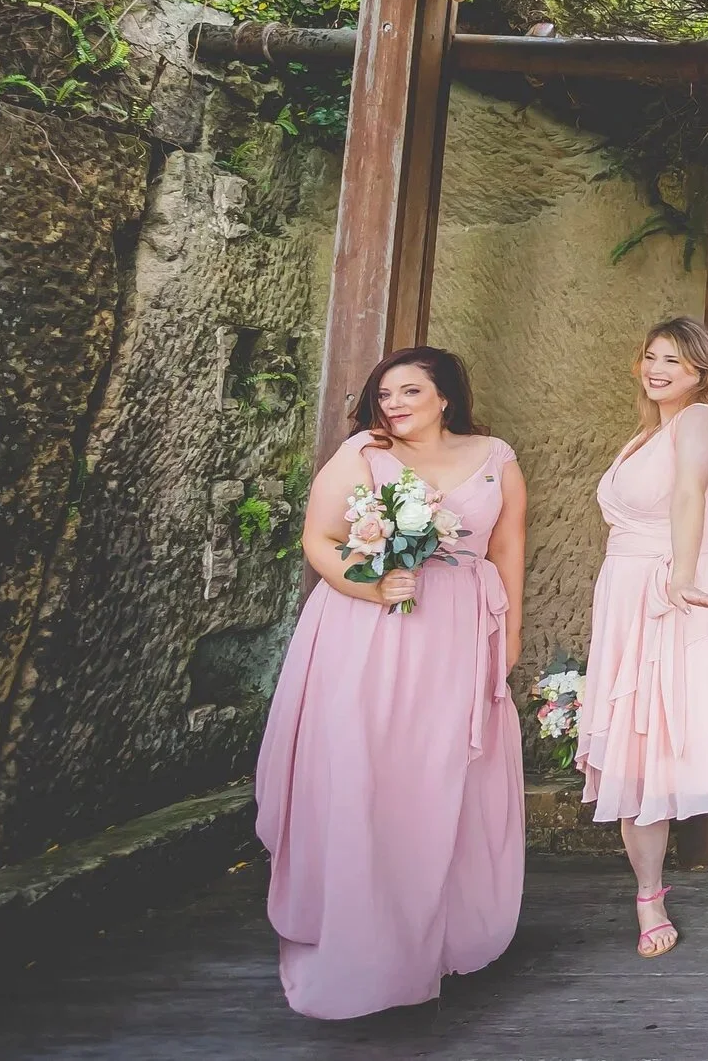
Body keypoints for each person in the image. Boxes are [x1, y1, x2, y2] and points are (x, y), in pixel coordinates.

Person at [255, 346, 526, 1019]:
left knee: (438, 778)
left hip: (458, 630)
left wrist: (510, 632)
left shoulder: (496, 456)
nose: (394, 404)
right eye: (384, 394)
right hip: (371, 633)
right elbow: (320, 538)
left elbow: (509, 545)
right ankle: (366, 944)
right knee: (371, 775)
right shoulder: (363, 455)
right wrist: (372, 585)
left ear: (445, 396)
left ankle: (436, 933)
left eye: (409, 390)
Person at [577, 317, 708, 958]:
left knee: (655, 738)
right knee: (638, 743)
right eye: (651, 356)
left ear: (701, 372)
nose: (658, 368)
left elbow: (690, 494)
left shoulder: (700, 422)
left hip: (676, 589)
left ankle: (656, 893)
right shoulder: (649, 432)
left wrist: (682, 575)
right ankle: (648, 894)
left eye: (676, 361)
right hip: (631, 591)